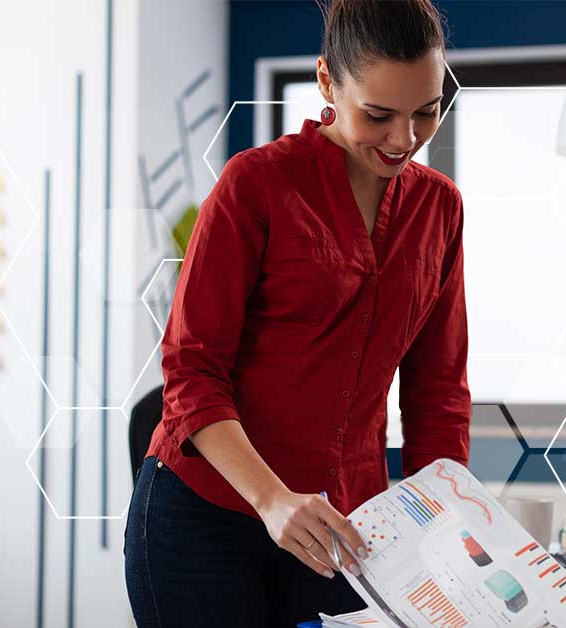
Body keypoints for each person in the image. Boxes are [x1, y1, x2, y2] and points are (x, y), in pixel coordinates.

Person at [124, 0, 470, 625]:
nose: (404, 139)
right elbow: (193, 371)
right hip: (206, 520)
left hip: (345, 529)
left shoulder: (440, 208)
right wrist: (273, 500)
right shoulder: (254, 185)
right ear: (326, 83)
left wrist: (446, 520)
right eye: (379, 115)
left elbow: (438, 391)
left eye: (427, 111)